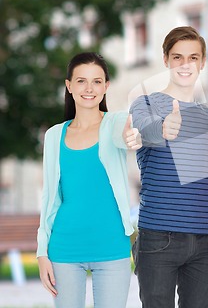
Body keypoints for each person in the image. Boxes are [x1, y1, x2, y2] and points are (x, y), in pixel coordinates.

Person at [36, 52, 142, 308]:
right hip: (64, 248)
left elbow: (130, 130)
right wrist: (41, 252)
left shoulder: (116, 123)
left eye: (97, 81)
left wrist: (133, 136)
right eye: (81, 81)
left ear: (106, 87)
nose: (89, 88)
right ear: (69, 85)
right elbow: (50, 198)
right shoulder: (53, 136)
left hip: (111, 246)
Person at [129, 26, 208, 308]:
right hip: (159, 238)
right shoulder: (146, 103)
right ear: (166, 60)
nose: (186, 64)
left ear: (202, 62)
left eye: (193, 57)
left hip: (206, 242)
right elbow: (145, 131)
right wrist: (164, 127)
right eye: (178, 57)